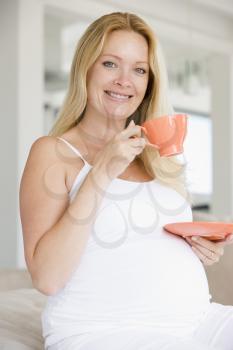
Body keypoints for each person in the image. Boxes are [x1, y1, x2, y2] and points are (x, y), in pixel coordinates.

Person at [19, 12, 233, 350]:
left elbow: (148, 244)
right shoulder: (53, 153)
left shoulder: (158, 155)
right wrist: (102, 171)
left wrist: (200, 251)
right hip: (102, 330)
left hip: (196, 320)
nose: (124, 81)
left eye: (139, 69)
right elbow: (47, 277)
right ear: (85, 68)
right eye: (110, 64)